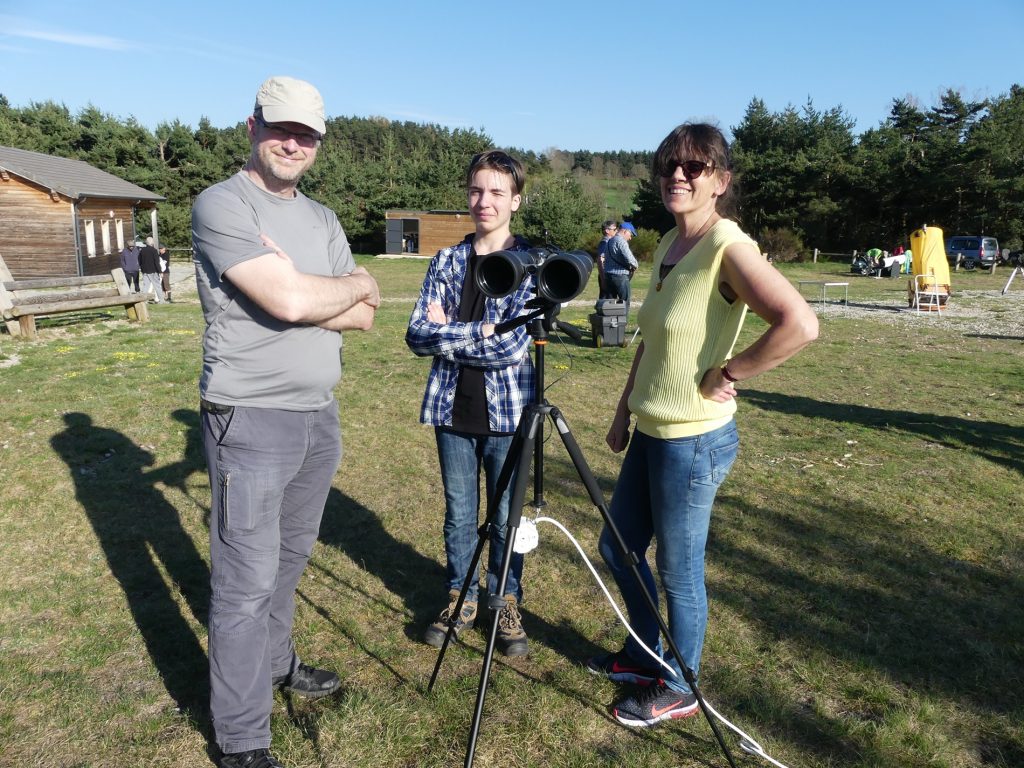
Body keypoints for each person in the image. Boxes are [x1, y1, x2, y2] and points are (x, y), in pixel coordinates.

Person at [587, 123, 818, 727]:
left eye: (694, 167)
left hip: (694, 441)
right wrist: (623, 410)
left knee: (678, 572)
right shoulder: (669, 243)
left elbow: (800, 323)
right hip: (653, 431)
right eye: (670, 166)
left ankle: (680, 684)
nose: (678, 177)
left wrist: (731, 371)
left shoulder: (728, 246)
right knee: (618, 546)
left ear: (721, 180)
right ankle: (646, 654)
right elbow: (653, 341)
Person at [191, 75, 380, 768]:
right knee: (243, 580)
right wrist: (332, 289)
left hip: (316, 417)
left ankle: (276, 664)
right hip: (250, 417)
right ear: (253, 125)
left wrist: (333, 290)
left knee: (291, 560)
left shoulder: (323, 219)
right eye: (281, 128)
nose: (292, 142)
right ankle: (242, 737)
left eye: (306, 134)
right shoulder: (223, 203)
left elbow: (361, 312)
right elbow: (294, 301)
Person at [405, 150, 535, 657]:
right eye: (477, 191)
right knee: (460, 513)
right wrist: (479, 329)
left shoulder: (528, 266)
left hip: (507, 416)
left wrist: (451, 332)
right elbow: (417, 335)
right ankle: (460, 596)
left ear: (515, 201)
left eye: (497, 192)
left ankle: (504, 600)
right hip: (451, 411)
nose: (485, 201)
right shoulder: (446, 261)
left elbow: (511, 346)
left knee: (505, 517)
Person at [603, 220, 639, 319]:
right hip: (620, 276)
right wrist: (636, 265)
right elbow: (630, 259)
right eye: (630, 234)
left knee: (610, 303)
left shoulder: (610, 240)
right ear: (625, 231)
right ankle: (621, 326)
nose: (630, 238)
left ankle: (609, 327)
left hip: (608, 275)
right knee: (624, 302)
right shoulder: (621, 241)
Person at [138, 237, 163, 302]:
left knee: (145, 286)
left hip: (145, 271)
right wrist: (160, 271)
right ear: (152, 243)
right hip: (153, 271)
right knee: (157, 286)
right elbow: (156, 262)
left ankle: (143, 301)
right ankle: (161, 300)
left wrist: (142, 269)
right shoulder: (154, 250)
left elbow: (139, 261)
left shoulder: (142, 250)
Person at [596, 220, 617, 297]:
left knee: (610, 301)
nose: (616, 231)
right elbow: (600, 260)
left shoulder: (610, 242)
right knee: (606, 301)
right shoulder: (605, 243)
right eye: (614, 229)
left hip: (608, 275)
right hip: (606, 276)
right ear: (607, 231)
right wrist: (603, 279)